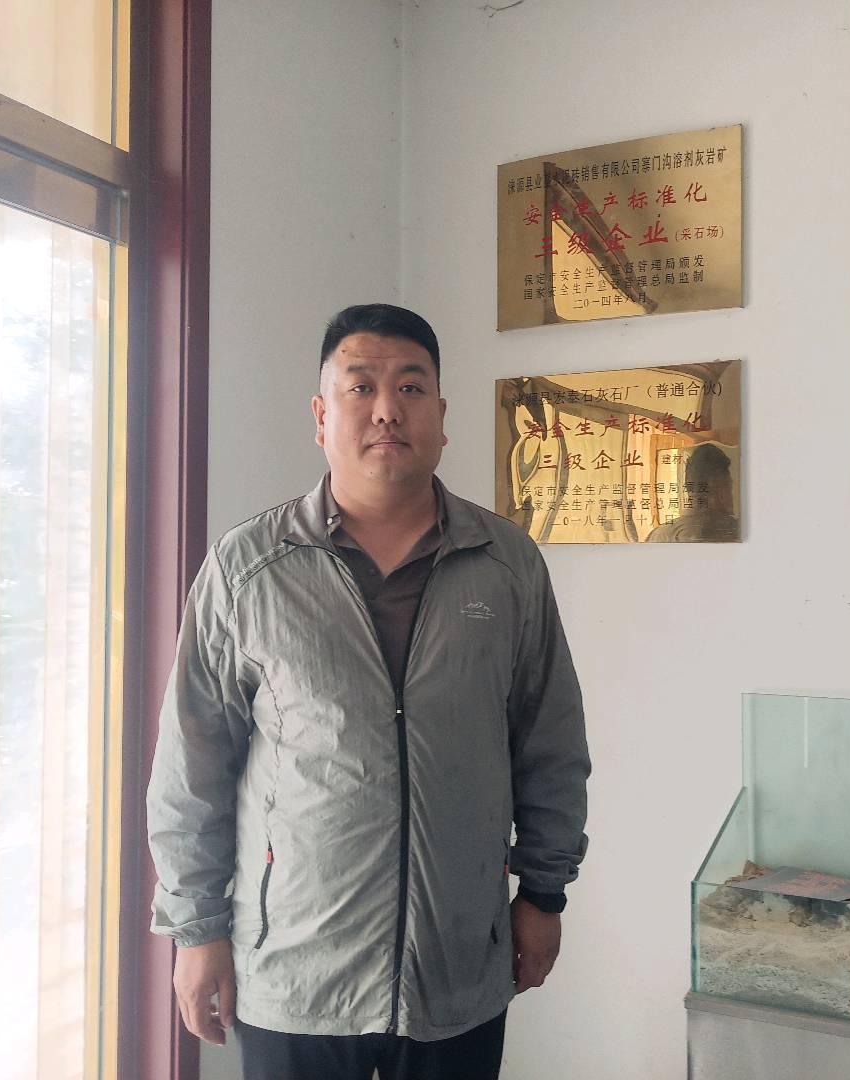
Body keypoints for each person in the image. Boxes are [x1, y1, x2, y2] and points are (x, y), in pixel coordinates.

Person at [147, 304, 590, 1080]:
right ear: (322, 417)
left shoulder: (507, 566)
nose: (388, 409)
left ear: (442, 417)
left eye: (411, 388)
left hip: (457, 966)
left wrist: (544, 893)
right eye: (361, 387)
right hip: (295, 973)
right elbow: (193, 767)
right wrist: (195, 930)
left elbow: (550, 744)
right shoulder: (248, 570)